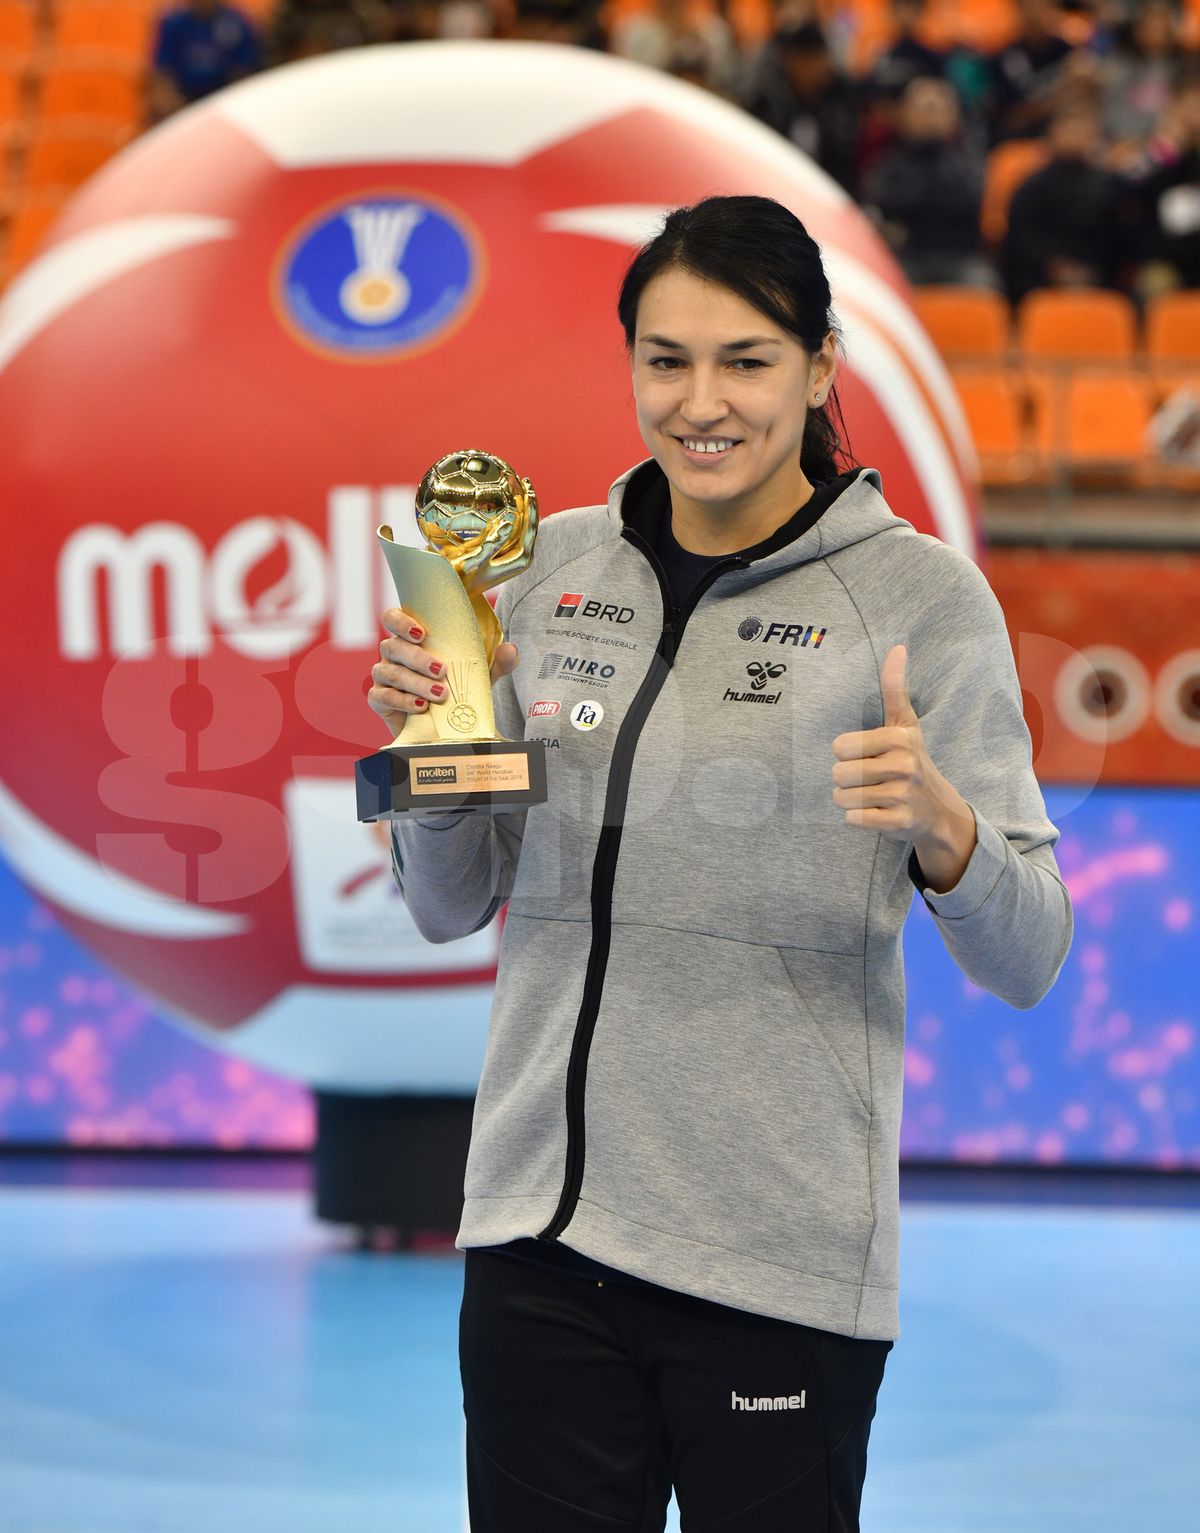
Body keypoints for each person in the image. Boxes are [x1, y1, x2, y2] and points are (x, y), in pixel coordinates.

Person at [367, 194, 1073, 1530]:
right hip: (533, 1241)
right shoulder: (550, 568)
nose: (704, 401)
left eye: (747, 361)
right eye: (666, 359)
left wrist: (944, 829)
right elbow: (450, 904)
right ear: (628, 362)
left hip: (774, 1266)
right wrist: (435, 734)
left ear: (818, 368)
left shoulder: (919, 600)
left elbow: (1030, 952)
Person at [863, 74, 996, 287]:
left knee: (981, 283)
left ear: (953, 118)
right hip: (909, 258)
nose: (930, 118)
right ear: (903, 115)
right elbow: (882, 204)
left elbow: (970, 203)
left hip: (960, 259)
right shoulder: (886, 166)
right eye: (923, 109)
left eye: (936, 110)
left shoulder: (969, 163)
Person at [1000, 99, 1132, 302]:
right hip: (1041, 277)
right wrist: (1056, 267)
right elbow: (1020, 237)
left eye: (1084, 129)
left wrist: (1090, 270)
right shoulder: (1033, 186)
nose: (1077, 135)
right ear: (1052, 133)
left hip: (1098, 277)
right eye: (1070, 128)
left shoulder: (1109, 184)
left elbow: (1118, 236)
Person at [147, 0, 263, 120]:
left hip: (222, 104)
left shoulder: (238, 23)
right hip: (182, 104)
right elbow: (162, 78)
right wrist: (179, 112)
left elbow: (243, 78)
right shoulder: (172, 23)